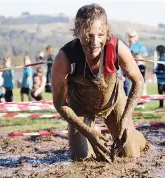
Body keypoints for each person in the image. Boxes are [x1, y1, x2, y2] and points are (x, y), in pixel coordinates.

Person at [52, 4, 146, 162]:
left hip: (113, 102)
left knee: (129, 152)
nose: (95, 42)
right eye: (89, 35)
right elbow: (59, 104)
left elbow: (139, 82)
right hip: (80, 109)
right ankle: (93, 131)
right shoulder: (65, 57)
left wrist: (125, 119)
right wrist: (88, 132)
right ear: (77, 31)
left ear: (107, 32)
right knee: (81, 158)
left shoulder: (117, 48)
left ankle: (138, 137)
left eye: (100, 35)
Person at [127, 30, 148, 109]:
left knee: (141, 83)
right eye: (129, 36)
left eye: (132, 36)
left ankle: (142, 101)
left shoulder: (139, 45)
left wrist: (136, 53)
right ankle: (134, 101)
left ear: (136, 37)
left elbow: (145, 54)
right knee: (132, 84)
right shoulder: (127, 45)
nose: (131, 38)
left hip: (140, 66)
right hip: (131, 66)